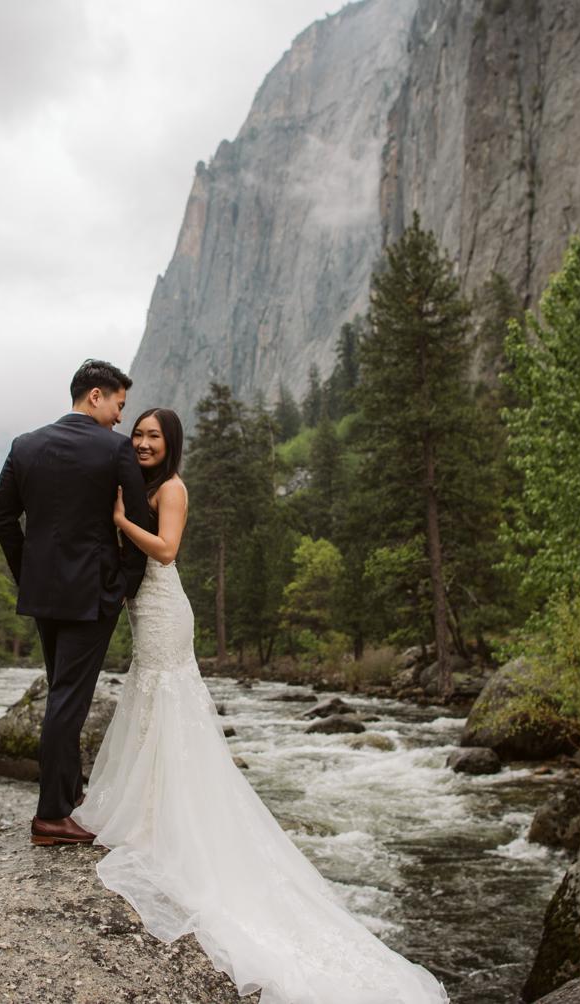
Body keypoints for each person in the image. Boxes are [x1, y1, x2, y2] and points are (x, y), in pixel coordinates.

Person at [76, 407, 449, 1004]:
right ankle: (149, 813)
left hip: (166, 611)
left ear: (171, 445)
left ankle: (167, 823)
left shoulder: (170, 489)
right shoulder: (141, 484)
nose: (143, 442)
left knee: (166, 702)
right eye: (138, 434)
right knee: (149, 702)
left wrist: (121, 519)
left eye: (154, 436)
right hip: (145, 612)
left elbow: (166, 552)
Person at [0, 359, 151, 846]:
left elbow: (2, 519)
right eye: (119, 405)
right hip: (91, 595)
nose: (122, 418)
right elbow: (139, 521)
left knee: (63, 692)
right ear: (96, 396)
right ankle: (52, 816)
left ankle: (68, 795)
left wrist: (29, 574)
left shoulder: (24, 445)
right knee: (68, 700)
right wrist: (126, 584)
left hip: (44, 595)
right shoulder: (114, 449)